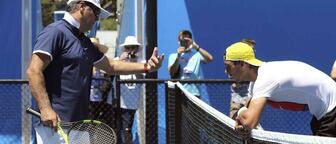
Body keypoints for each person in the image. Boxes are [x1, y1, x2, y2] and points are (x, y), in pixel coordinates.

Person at [25, 0, 164, 143]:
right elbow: (33, 71)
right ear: (82, 7)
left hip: (80, 125)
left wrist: (147, 67)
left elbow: (111, 66)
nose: (97, 18)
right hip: (54, 126)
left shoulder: (84, 41)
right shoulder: (55, 31)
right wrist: (46, 109)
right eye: (96, 12)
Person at [223, 42, 336, 138]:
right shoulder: (257, 82)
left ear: (242, 64)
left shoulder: (266, 78)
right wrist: (242, 118)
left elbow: (248, 122)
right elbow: (247, 112)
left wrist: (241, 115)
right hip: (328, 113)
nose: (225, 71)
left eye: (228, 66)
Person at [106, 36, 145, 144]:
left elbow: (141, 79)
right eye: (128, 48)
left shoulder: (141, 62)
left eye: (133, 47)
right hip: (115, 100)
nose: (131, 50)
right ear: (124, 49)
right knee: (114, 127)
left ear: (137, 49)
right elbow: (108, 71)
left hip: (130, 103)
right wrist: (121, 61)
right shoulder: (117, 60)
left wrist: (134, 64)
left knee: (126, 129)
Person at [168, 30, 213, 97]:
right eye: (183, 40)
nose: (185, 43)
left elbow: (210, 58)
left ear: (191, 41)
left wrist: (197, 47)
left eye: (187, 40)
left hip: (195, 93)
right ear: (179, 42)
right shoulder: (173, 56)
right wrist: (178, 56)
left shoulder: (197, 55)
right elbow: (171, 72)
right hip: (179, 92)